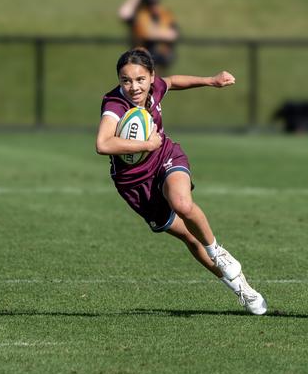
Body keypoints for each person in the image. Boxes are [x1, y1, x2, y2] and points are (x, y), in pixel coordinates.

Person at [96, 48, 267, 315]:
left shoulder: (155, 89)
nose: (133, 86)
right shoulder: (114, 104)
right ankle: (242, 289)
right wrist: (146, 143)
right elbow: (103, 143)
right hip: (135, 184)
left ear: (152, 76)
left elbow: (174, 82)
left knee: (182, 203)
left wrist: (210, 80)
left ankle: (218, 252)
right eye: (125, 80)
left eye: (140, 79)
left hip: (165, 156)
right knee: (190, 237)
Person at [119, 0, 179, 73]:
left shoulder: (164, 14)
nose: (154, 6)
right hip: (141, 57)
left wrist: (155, 33)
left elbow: (173, 34)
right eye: (150, 4)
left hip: (162, 56)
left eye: (155, 3)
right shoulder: (140, 16)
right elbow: (124, 14)